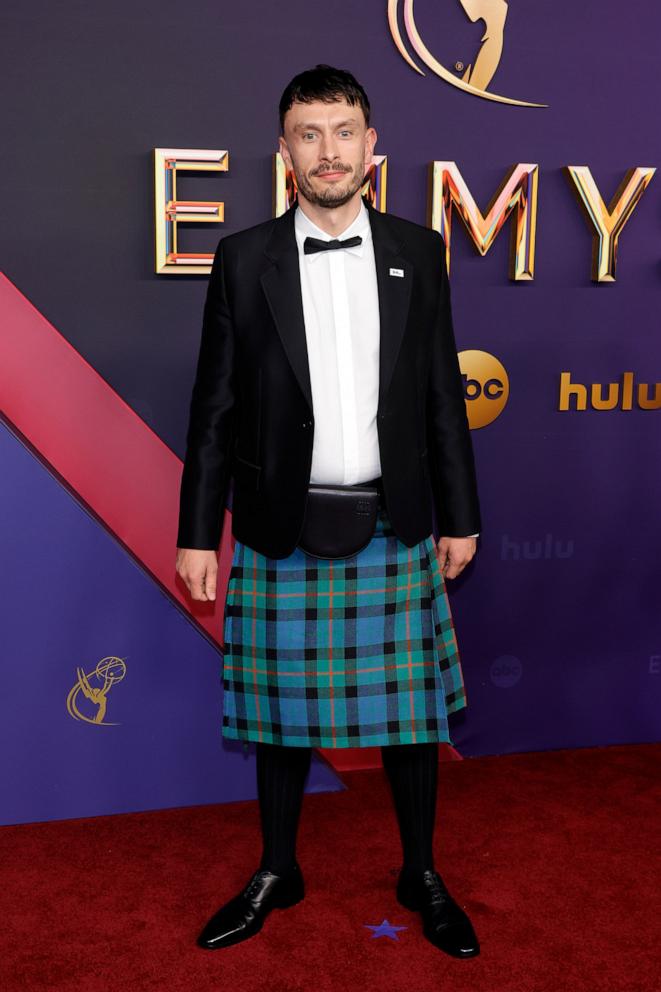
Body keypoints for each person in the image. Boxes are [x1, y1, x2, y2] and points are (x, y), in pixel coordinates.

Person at [175, 63, 482, 959]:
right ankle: (278, 867)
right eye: (308, 134)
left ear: (370, 145)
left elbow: (439, 400)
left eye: (342, 132)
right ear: (284, 152)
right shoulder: (242, 259)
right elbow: (213, 408)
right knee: (277, 713)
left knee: (412, 715)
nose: (327, 151)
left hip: (394, 522)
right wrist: (200, 530)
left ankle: (419, 871)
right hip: (279, 525)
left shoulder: (419, 251)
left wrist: (459, 513)